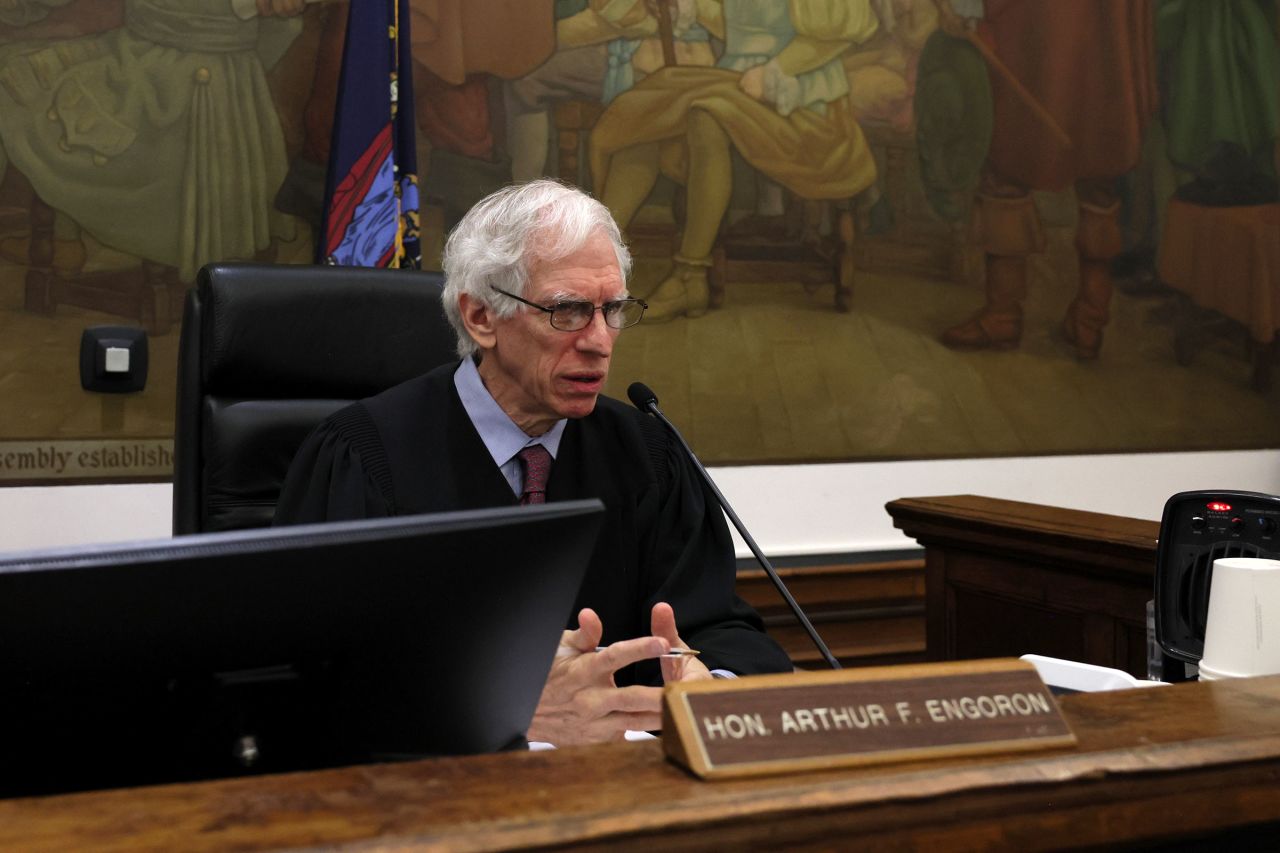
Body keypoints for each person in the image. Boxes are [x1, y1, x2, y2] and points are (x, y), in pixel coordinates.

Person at [274, 179, 792, 745]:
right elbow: (313, 681)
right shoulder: (363, 459)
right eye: (567, 311)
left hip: (623, 798)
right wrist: (500, 715)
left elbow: (717, 624)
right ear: (480, 319)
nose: (599, 341)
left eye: (613, 309)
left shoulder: (649, 455)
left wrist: (705, 680)